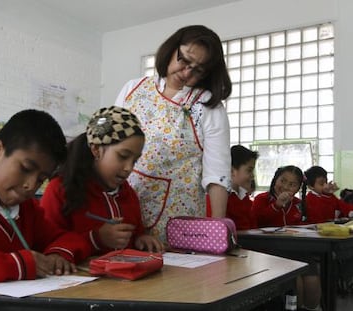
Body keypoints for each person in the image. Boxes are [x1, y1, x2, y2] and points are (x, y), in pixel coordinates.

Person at [0, 109, 92, 286]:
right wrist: (15, 264)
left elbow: (69, 239)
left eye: (41, 179)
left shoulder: (28, 210)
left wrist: (58, 254)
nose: (31, 185)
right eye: (25, 169)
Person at [115, 25, 232, 243]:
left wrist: (217, 233)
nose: (186, 73)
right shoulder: (133, 89)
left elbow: (217, 175)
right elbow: (110, 150)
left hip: (180, 224)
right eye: (184, 60)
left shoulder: (207, 106)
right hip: (124, 214)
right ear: (171, 49)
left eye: (197, 70)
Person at [41, 106, 164, 254]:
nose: (129, 168)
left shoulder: (128, 194)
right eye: (123, 156)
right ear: (96, 150)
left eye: (135, 161)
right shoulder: (60, 190)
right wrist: (96, 239)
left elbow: (136, 233)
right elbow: (48, 244)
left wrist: (141, 239)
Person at [252, 165, 322, 310]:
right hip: (270, 252)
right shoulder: (262, 199)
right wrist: (277, 206)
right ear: (274, 180)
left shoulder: (299, 204)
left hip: (296, 250)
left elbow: (309, 224)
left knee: (313, 280)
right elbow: (258, 221)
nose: (285, 186)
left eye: (292, 184)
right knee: (297, 283)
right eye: (282, 181)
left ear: (298, 188)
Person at [227, 145, 258, 230]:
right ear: (232, 171)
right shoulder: (222, 197)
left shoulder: (244, 197)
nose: (252, 175)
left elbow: (253, 226)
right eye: (249, 170)